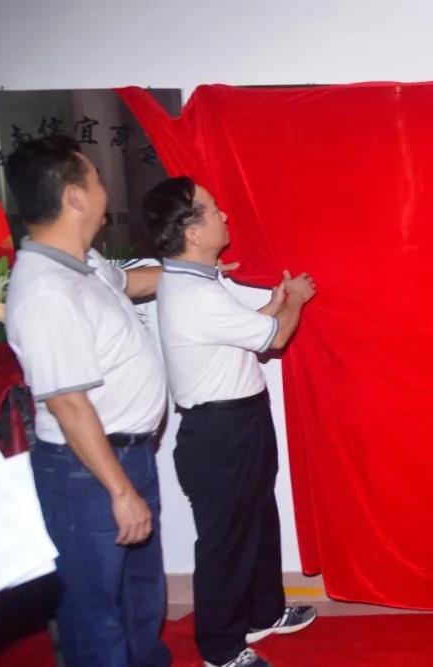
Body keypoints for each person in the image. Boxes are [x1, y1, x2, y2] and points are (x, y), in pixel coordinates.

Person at [4, 136, 170, 667]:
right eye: (96, 179)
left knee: (140, 594)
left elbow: (132, 283)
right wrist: (120, 491)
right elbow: (69, 405)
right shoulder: (46, 292)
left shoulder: (83, 263)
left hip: (127, 455)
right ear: (74, 197)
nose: (104, 188)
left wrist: (199, 270)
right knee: (95, 610)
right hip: (88, 473)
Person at [143, 177, 316, 667]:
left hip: (240, 419)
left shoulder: (198, 283)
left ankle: (264, 612)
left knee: (258, 517)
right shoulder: (193, 292)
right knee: (226, 541)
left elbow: (242, 332)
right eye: (213, 209)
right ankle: (220, 649)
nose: (225, 216)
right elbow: (274, 339)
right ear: (192, 232)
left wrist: (274, 306)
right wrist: (296, 298)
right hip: (219, 433)